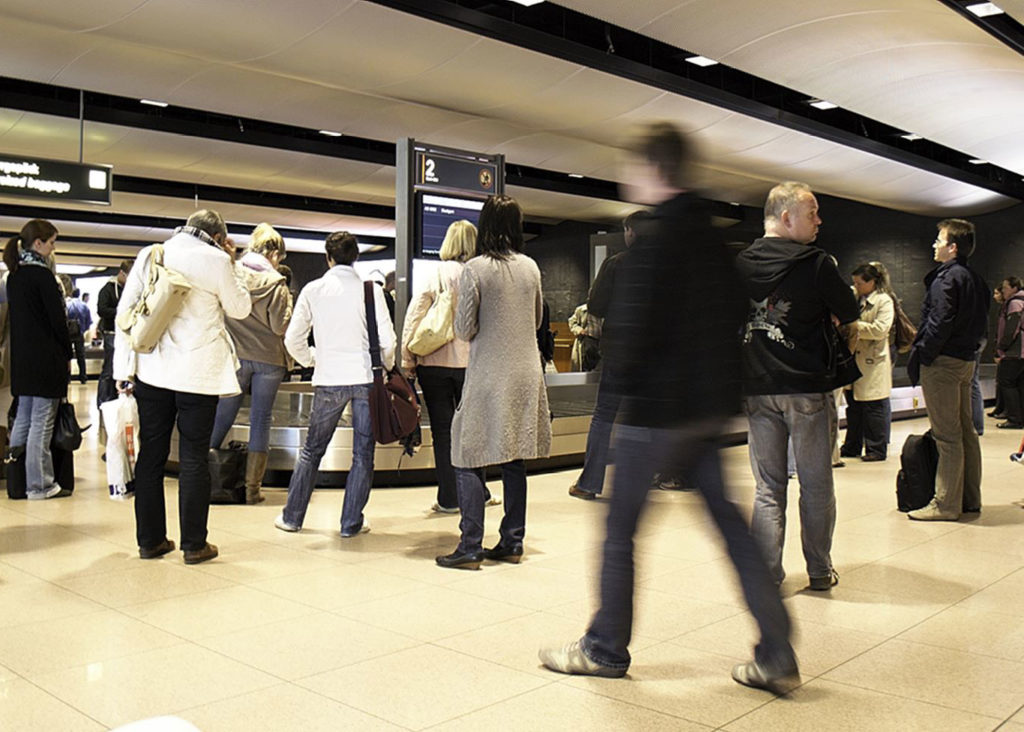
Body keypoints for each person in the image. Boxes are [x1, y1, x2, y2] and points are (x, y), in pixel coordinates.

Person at [539, 123, 798, 694]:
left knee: (620, 530)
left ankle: (605, 647)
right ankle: (777, 649)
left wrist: (627, 387)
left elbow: (628, 334)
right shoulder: (712, 239)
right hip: (705, 410)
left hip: (655, 411)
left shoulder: (654, 243)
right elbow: (735, 316)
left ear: (655, 171)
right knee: (730, 528)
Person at [736, 181, 860, 592]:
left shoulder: (741, 264)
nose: (819, 221)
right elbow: (849, 310)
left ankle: (767, 574)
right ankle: (819, 570)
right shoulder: (817, 263)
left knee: (768, 488)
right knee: (816, 483)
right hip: (807, 386)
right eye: (813, 213)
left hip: (757, 386)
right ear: (786, 217)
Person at [113, 209, 251, 564]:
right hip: (197, 375)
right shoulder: (218, 260)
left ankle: (150, 541)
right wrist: (232, 261)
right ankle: (194, 545)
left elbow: (125, 315)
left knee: (151, 454)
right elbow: (240, 309)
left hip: (153, 372)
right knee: (193, 455)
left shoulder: (152, 253)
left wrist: (123, 369)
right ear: (219, 236)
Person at [436, 194, 551, 569]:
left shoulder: (476, 269)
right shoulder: (531, 267)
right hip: (526, 372)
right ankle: (512, 541)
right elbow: (535, 321)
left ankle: (470, 544)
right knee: (514, 455)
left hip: (489, 373)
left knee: (467, 452)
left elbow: (464, 329)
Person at [276, 232, 394, 537]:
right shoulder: (372, 291)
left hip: (329, 380)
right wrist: (387, 366)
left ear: (328, 258)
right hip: (366, 379)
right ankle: (350, 523)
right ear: (355, 257)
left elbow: (292, 339)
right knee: (362, 453)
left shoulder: (314, 290)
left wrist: (313, 358)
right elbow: (388, 341)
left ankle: (292, 517)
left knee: (312, 450)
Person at [906, 219, 989, 520]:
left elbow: (938, 322)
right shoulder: (974, 278)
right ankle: (969, 497)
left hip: (943, 363)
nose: (934, 245)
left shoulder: (946, 279)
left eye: (938, 240)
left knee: (947, 435)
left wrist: (925, 353)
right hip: (967, 360)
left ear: (952, 247)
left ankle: (945, 503)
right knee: (966, 431)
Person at [210, 223, 293, 504]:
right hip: (269, 359)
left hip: (236, 357)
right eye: (279, 256)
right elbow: (281, 327)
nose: (279, 261)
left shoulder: (231, 274)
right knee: (261, 419)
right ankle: (252, 490)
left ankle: (203, 476)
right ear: (272, 252)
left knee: (223, 414)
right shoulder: (277, 284)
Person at [566, 210, 646, 500]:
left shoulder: (616, 264)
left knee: (604, 417)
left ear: (631, 232)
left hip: (619, 351)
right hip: (652, 356)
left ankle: (590, 483)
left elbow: (596, 305)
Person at [401, 220, 476, 514]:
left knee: (443, 432)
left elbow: (415, 315)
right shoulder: (477, 274)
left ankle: (449, 498)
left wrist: (408, 360)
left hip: (433, 363)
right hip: (470, 365)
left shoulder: (435, 273)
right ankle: (475, 494)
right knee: (470, 432)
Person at [3, 219, 72, 500]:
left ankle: (16, 482)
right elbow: (57, 322)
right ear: (39, 243)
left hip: (22, 362)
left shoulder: (15, 276)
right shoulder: (43, 277)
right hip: (46, 361)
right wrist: (67, 353)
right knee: (42, 424)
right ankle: (40, 484)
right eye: (52, 242)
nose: (54, 248)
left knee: (23, 421)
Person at [840, 262, 895, 461]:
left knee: (874, 406)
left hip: (872, 361)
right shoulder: (855, 297)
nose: (856, 286)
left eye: (860, 283)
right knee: (853, 406)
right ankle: (852, 445)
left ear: (872, 282)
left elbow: (880, 329)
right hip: (853, 358)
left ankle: (876, 449)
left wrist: (854, 327)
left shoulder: (883, 301)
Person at [97, 260, 133, 407]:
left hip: (126, 333)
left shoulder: (130, 290)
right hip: (111, 332)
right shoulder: (108, 289)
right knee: (109, 370)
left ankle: (118, 400)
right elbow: (102, 309)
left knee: (124, 368)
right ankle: (104, 402)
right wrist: (121, 312)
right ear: (121, 273)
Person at [994, 277, 1024, 429]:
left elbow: (1012, 328)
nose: (1003, 291)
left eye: (1005, 287)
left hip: (1015, 352)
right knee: (1019, 384)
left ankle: (1014, 418)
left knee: (1007, 382)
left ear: (1014, 288)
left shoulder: (1015, 303)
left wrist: (1002, 347)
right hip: (1020, 352)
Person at [66, 288, 92, 384]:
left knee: (67, 355)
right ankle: (83, 377)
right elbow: (89, 321)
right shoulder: (84, 306)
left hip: (68, 333)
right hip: (79, 333)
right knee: (81, 355)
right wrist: (83, 330)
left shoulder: (67, 305)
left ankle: (68, 377)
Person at [568, 303, 601, 372]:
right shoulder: (582, 309)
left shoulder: (604, 310)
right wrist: (579, 330)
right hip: (586, 340)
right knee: (585, 366)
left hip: (600, 341)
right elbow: (572, 322)